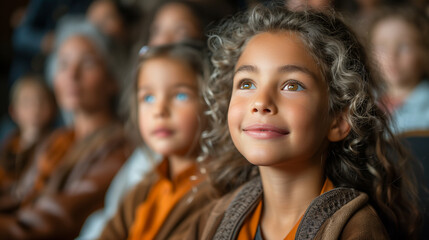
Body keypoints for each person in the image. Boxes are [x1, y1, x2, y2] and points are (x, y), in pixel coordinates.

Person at [179, 5, 420, 240]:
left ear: (338, 120)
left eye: (291, 85)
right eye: (246, 83)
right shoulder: (214, 216)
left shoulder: (355, 228)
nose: (260, 102)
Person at [0, 22, 132, 239]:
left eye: (88, 63)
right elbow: (19, 196)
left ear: (112, 79)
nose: (72, 74)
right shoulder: (59, 138)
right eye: (63, 64)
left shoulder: (119, 148)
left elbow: (56, 220)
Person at [98, 42, 215, 240]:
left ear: (212, 103)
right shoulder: (146, 186)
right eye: (148, 98)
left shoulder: (216, 193)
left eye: (180, 95)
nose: (159, 110)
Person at [368, 6, 429, 134]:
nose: (392, 56)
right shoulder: (365, 100)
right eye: (382, 47)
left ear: (423, 52)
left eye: (404, 46)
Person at [0, 75, 56, 196]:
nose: (35, 107)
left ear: (53, 107)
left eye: (42, 101)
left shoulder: (56, 142)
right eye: (26, 102)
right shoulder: (9, 144)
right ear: (13, 111)